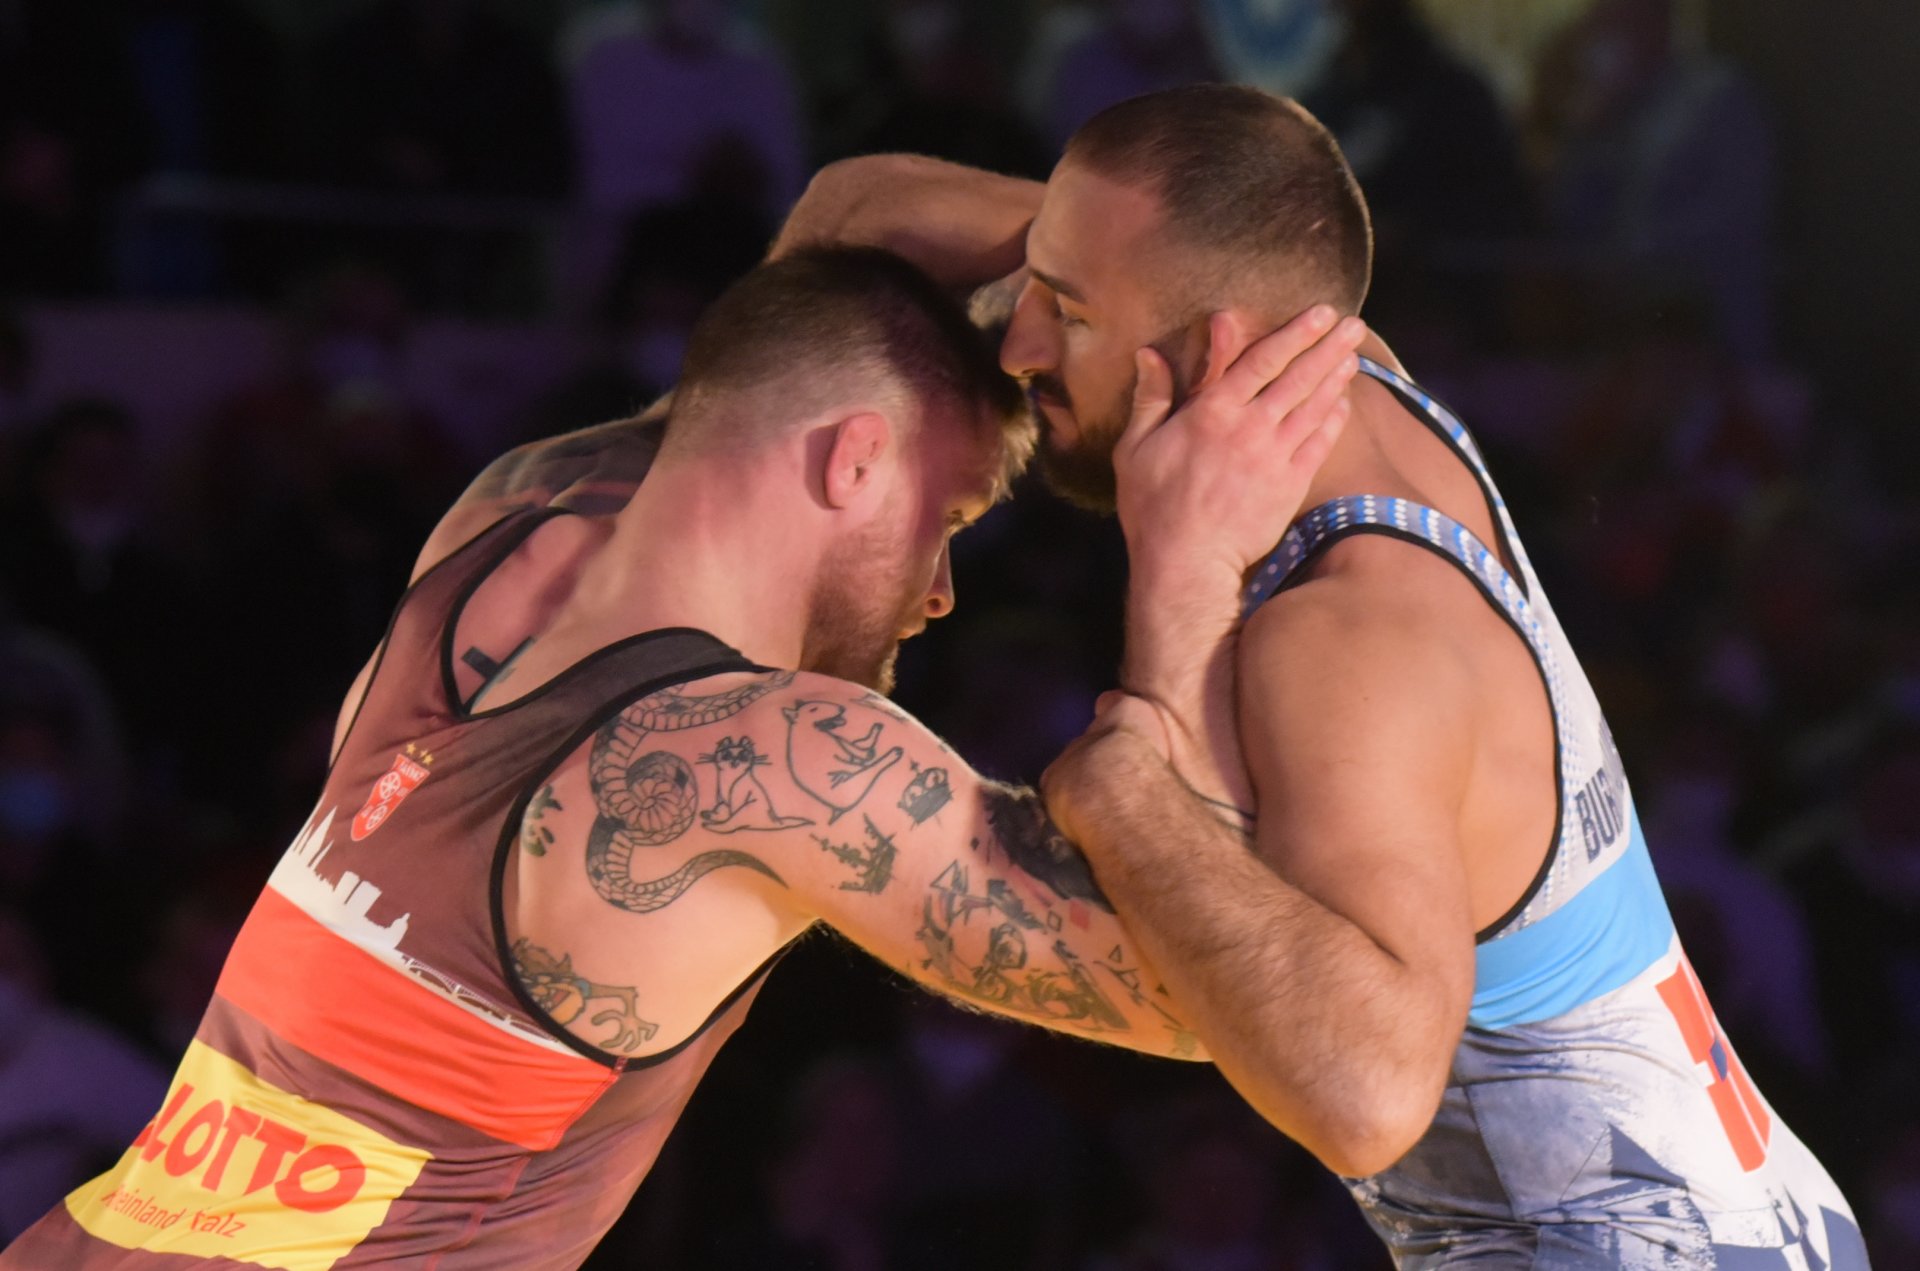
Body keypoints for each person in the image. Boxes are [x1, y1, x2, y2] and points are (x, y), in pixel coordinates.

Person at [0, 243, 1356, 1268]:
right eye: (945, 516)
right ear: (852, 460)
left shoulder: (507, 517)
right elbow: (1222, 994)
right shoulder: (761, 757)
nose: (941, 589)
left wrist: (1085, 269)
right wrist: (1189, 565)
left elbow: (825, 263)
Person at [789, 85, 1868, 1267]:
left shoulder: (1345, 642)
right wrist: (1086, 245)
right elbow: (858, 207)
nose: (1019, 342)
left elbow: (1366, 1093)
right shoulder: (1353, 375)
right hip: (1759, 1220)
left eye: (1070, 313)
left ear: (1217, 349)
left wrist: (1145, 691)